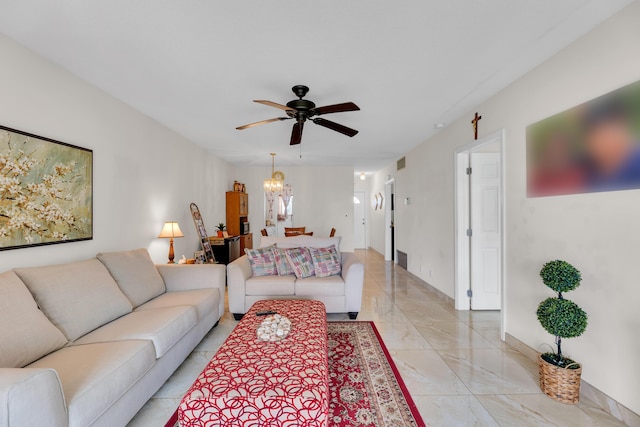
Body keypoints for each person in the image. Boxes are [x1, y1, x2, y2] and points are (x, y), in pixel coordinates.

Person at [583, 95, 640, 191]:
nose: (606, 141)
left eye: (610, 130)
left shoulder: (636, 161)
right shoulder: (592, 175)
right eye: (599, 133)